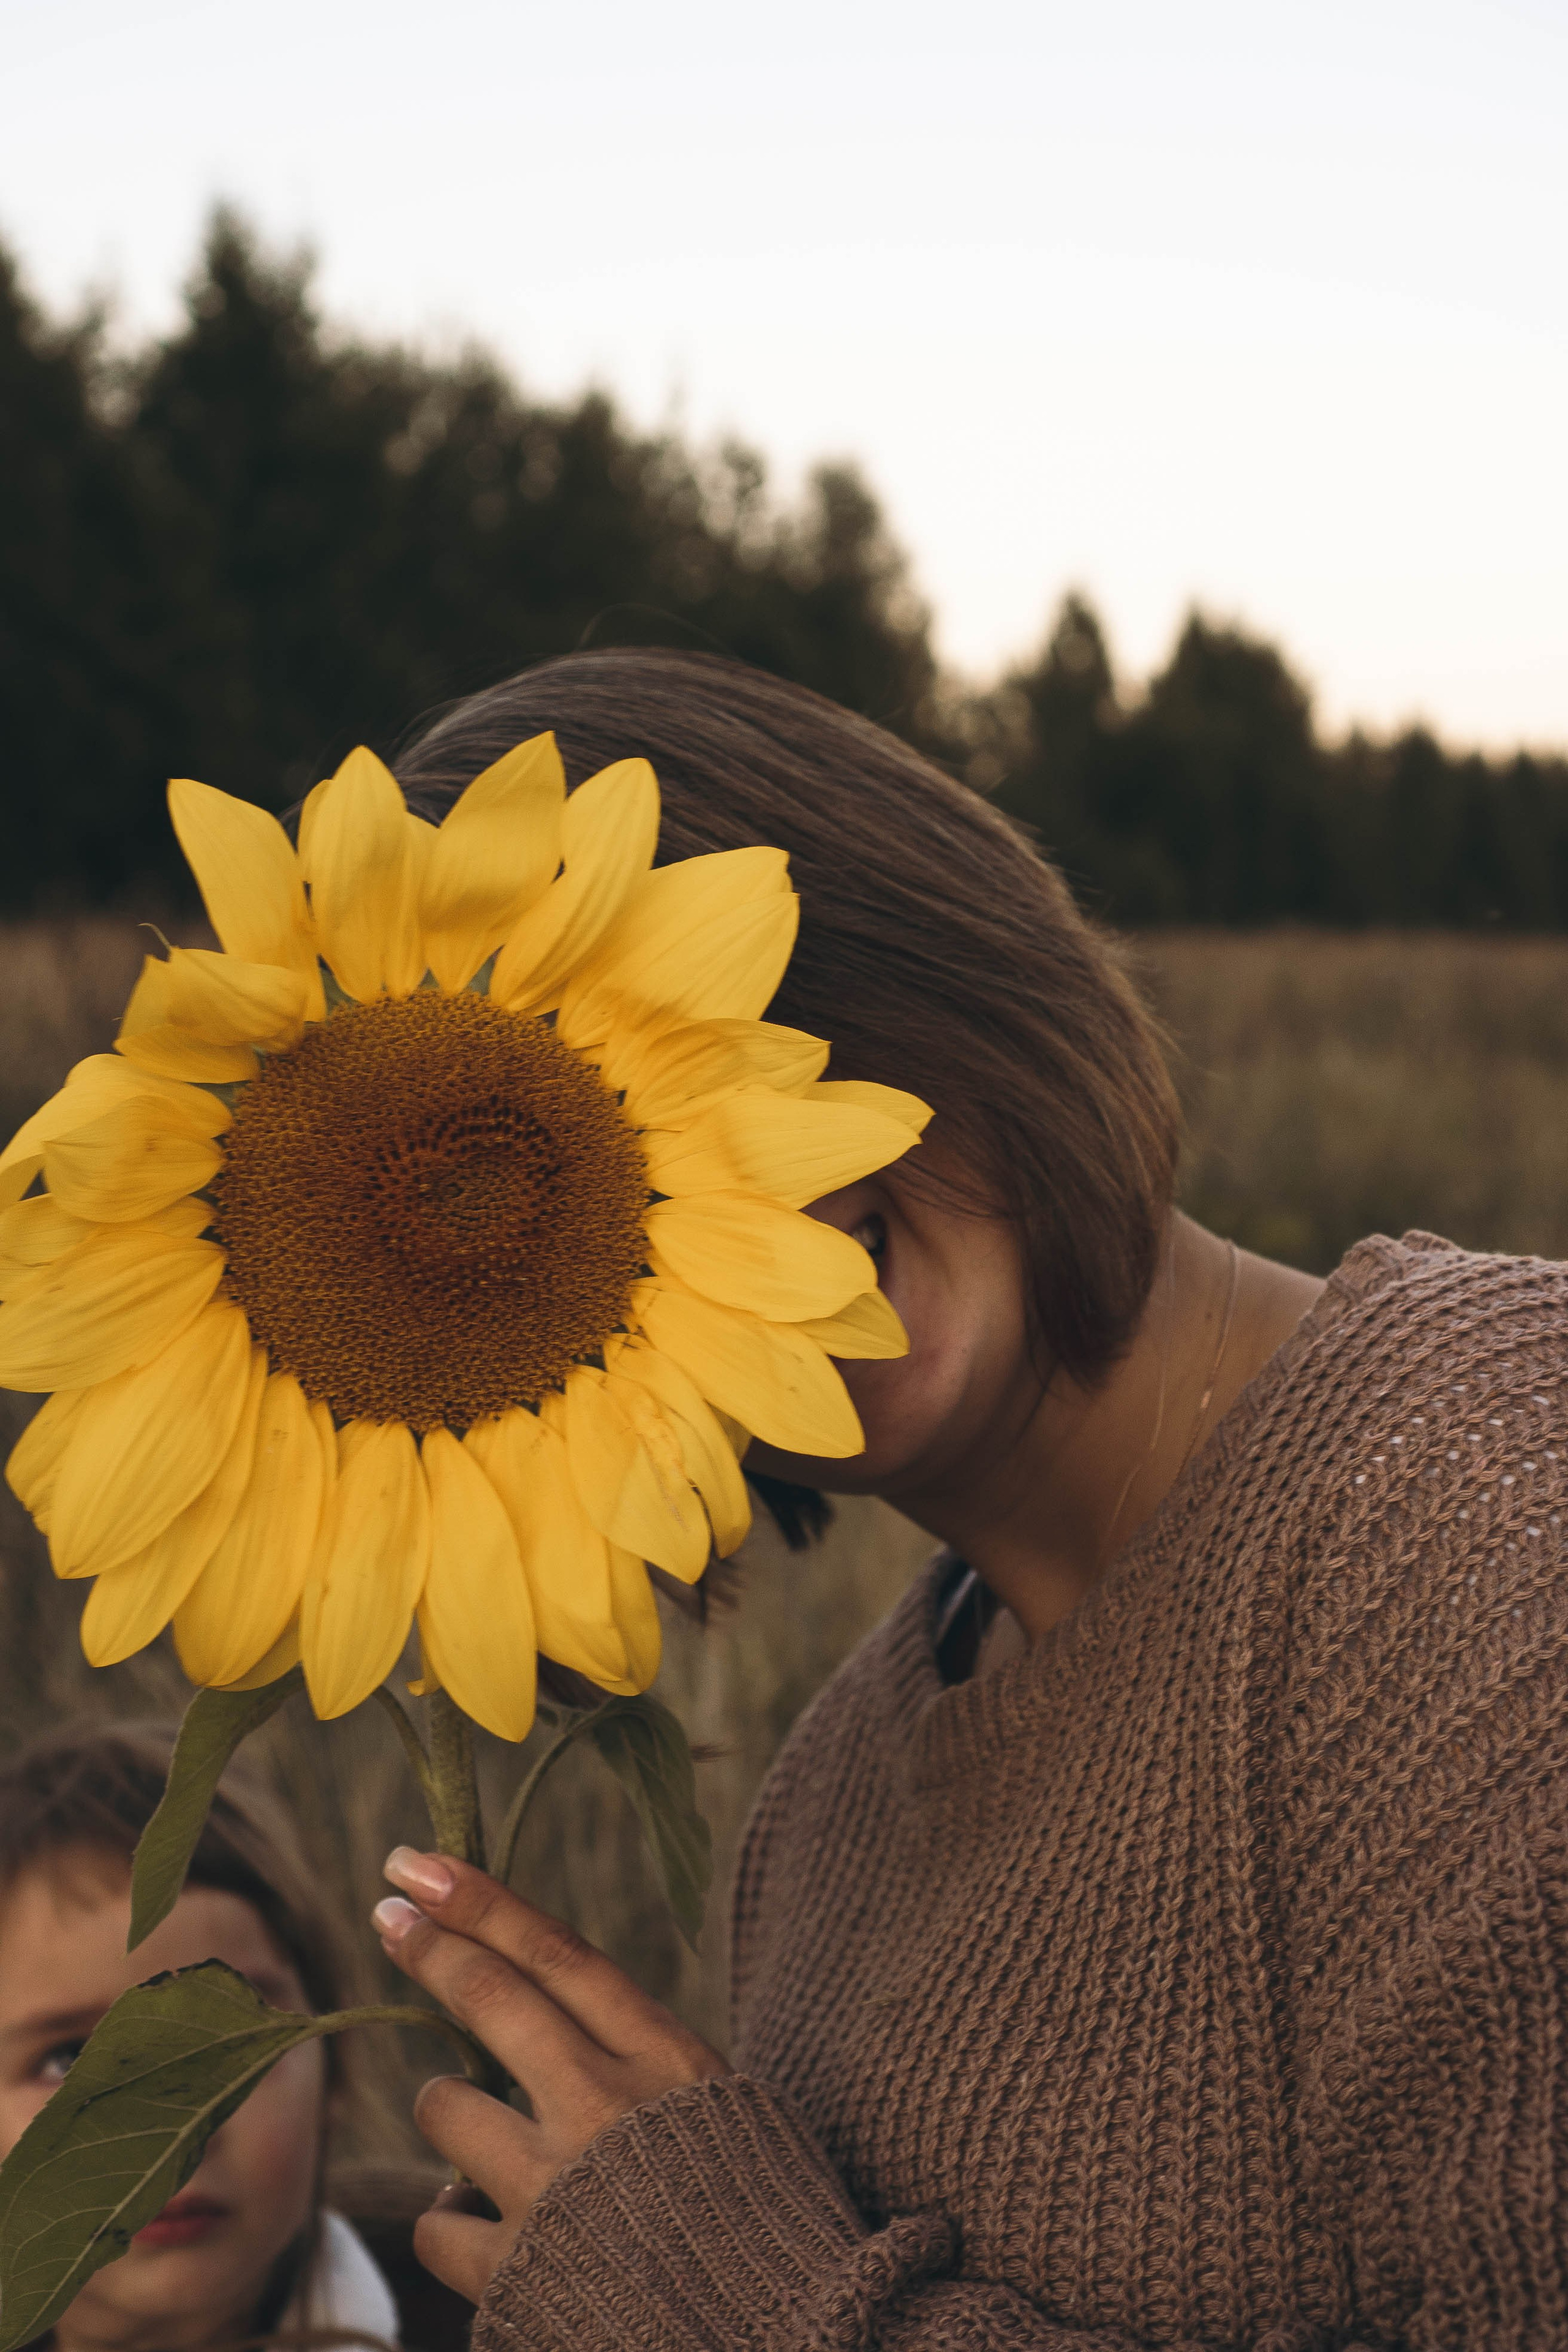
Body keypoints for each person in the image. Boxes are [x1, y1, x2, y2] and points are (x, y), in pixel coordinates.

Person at [372, 648, 1568, 2351]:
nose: (729, 1210)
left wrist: (750, 2313)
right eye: (568, 1205)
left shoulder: (1492, 1491)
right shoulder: (826, 1812)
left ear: (921, 948)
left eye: (717, 1061)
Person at [0, 1724, 459, 2352]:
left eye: (231, 2041)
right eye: (68, 2059)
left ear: (335, 2062)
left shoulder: (494, 2321)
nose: (174, 2121)